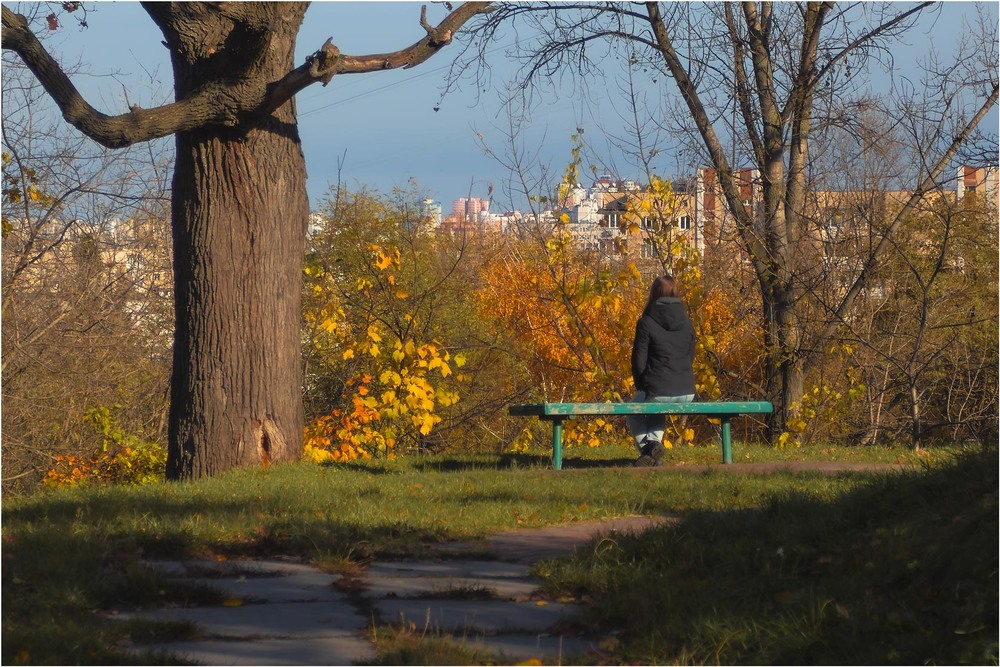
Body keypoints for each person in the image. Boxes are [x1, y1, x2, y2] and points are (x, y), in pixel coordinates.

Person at [627, 275, 697, 466]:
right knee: (657, 406)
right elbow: (691, 355)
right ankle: (653, 453)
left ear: (654, 294)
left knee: (634, 410)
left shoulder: (646, 322)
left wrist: (642, 384)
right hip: (687, 391)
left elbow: (638, 359)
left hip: (659, 389)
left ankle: (648, 449)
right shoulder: (687, 323)